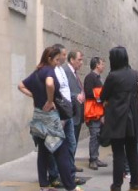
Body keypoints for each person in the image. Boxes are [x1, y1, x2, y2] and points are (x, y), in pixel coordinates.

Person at [17, 47, 81, 191]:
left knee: (43, 151)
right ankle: (70, 186)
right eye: (57, 60)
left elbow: (20, 86)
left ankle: (44, 185)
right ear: (50, 59)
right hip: (50, 117)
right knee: (62, 151)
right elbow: (50, 84)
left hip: (38, 116)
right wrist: (50, 100)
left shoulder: (37, 72)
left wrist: (34, 95)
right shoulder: (49, 71)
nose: (58, 62)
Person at [100, 46, 138, 191]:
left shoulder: (113, 76)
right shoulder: (135, 74)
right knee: (132, 153)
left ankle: (117, 185)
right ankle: (135, 184)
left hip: (117, 120)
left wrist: (109, 100)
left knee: (118, 155)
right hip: (132, 120)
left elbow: (102, 96)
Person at [50, 44, 85, 186]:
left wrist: (74, 96)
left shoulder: (61, 70)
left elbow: (64, 90)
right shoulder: (54, 70)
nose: (65, 57)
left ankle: (69, 174)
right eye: (63, 55)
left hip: (68, 112)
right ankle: (54, 176)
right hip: (59, 112)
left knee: (71, 144)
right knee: (55, 145)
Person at [83, 56, 108, 170]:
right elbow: (88, 93)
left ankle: (96, 157)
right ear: (97, 65)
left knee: (97, 135)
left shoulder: (98, 77)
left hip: (98, 110)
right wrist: (100, 97)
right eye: (102, 64)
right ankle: (92, 159)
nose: (103, 66)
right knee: (94, 135)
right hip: (93, 111)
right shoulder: (90, 77)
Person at [64, 50, 86, 163]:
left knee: (74, 141)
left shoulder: (74, 73)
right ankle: (69, 166)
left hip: (77, 113)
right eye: (79, 60)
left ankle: (71, 163)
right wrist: (76, 95)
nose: (81, 62)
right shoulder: (66, 71)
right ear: (72, 60)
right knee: (70, 142)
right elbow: (63, 91)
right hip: (71, 113)